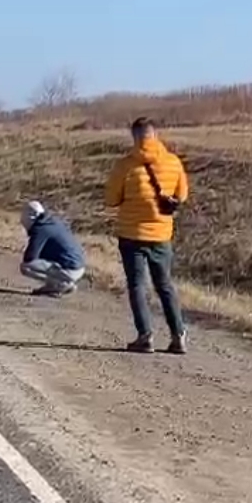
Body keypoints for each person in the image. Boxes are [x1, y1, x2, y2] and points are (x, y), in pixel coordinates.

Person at [105, 117, 189, 355]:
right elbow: (181, 196)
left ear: (134, 137)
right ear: (155, 135)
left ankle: (145, 336)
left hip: (131, 234)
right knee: (164, 285)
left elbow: (111, 200)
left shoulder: (125, 166)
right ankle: (178, 335)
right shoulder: (173, 162)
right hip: (162, 234)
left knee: (137, 285)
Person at [18, 201, 86, 297]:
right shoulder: (52, 222)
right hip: (79, 266)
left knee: (27, 266)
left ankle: (62, 284)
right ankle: (52, 286)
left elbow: (30, 257)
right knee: (44, 260)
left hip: (71, 269)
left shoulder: (40, 229)